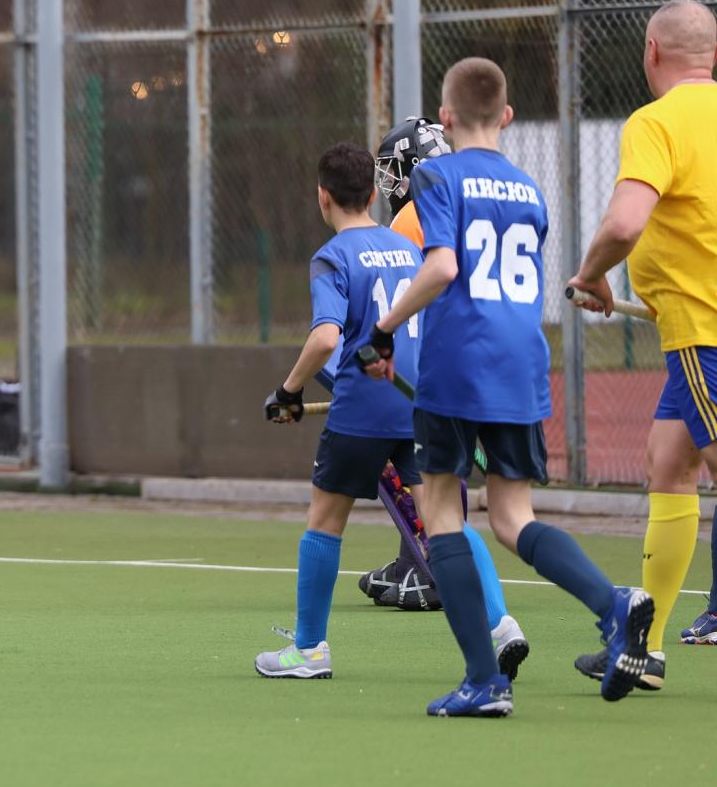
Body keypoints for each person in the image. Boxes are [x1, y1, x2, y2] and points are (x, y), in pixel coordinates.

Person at [363, 57, 651, 716]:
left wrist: (383, 329)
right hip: (522, 361)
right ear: (508, 116)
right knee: (515, 517)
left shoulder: (436, 176)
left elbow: (443, 267)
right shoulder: (528, 188)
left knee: (443, 514)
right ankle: (613, 604)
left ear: (446, 117)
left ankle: (483, 681)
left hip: (458, 362)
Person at [257, 144, 526, 680]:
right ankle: (501, 624)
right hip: (418, 402)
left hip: (361, 409)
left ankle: (308, 650)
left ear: (323, 197)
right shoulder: (407, 248)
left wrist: (288, 390)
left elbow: (326, 338)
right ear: (373, 194)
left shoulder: (332, 257)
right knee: (445, 519)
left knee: (325, 521)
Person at [567, 0, 717, 676]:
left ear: (652, 52)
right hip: (691, 332)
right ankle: (644, 647)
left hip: (704, 331)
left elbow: (626, 222)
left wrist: (590, 273)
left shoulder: (656, 122)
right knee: (668, 462)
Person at [357, 115, 518, 639]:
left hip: (439, 352)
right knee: (442, 463)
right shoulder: (474, 194)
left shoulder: (411, 215)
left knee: (400, 452)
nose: (389, 181)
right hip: (497, 346)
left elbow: (405, 294)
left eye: (392, 168)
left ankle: (430, 561)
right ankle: (415, 558)